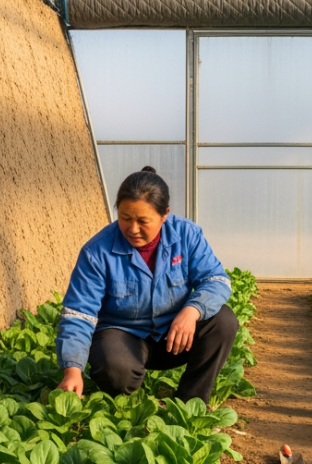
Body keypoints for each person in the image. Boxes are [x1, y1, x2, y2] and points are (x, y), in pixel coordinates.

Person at [54, 167, 238, 403]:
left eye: (143, 221)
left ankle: (190, 404)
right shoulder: (96, 251)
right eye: (125, 218)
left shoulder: (186, 235)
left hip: (176, 337)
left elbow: (216, 280)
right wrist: (72, 370)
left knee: (222, 322)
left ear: (164, 215)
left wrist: (192, 311)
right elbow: (79, 312)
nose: (133, 229)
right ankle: (125, 402)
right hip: (123, 336)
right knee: (115, 371)